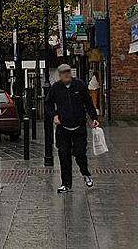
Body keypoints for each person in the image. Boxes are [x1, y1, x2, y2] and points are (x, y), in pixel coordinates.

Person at [45, 64, 99, 193]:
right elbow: (48, 104)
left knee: (80, 153)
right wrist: (54, 115)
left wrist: (94, 117)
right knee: (64, 155)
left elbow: (88, 102)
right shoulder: (56, 88)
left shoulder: (79, 85)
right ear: (60, 75)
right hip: (63, 128)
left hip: (79, 126)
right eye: (63, 73)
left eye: (68, 72)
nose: (66, 74)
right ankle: (66, 184)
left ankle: (86, 174)